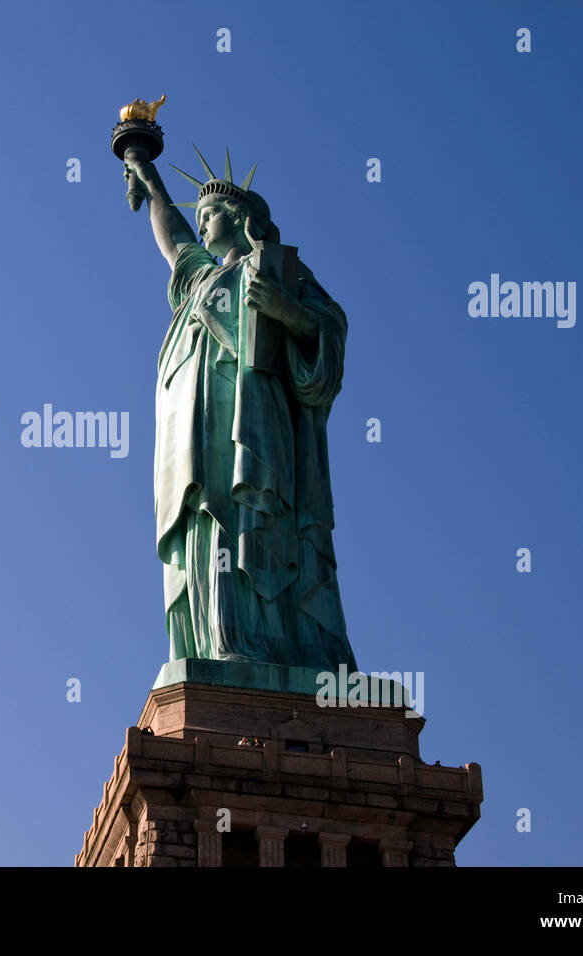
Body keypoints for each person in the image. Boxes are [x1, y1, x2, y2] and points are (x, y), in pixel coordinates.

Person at [123, 146, 359, 673]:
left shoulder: (275, 271)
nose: (201, 227)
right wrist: (146, 172)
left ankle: (276, 646)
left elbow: (331, 328)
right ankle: (218, 639)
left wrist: (288, 311)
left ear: (240, 220)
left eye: (209, 216)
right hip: (195, 434)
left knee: (255, 517)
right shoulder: (200, 280)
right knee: (207, 525)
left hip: (257, 426)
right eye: (201, 218)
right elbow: (175, 240)